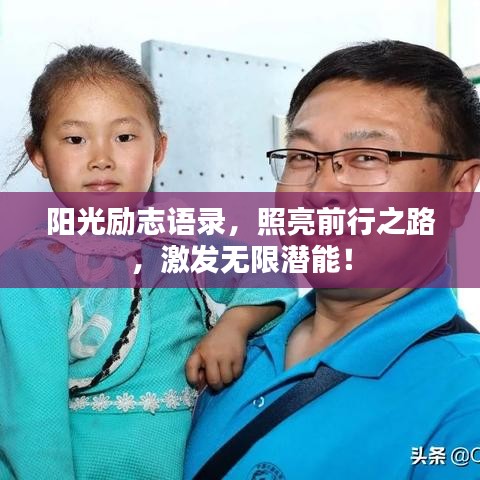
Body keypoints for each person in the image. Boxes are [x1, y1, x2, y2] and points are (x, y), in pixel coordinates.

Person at [184, 40, 480, 479]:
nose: (321, 191)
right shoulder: (224, 343)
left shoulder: (465, 398)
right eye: (302, 157)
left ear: (457, 191)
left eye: (368, 157)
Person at [0, 45, 297, 480]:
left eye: (124, 137)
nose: (101, 158)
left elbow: (270, 274)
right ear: (39, 155)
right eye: (75, 139)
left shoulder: (183, 239)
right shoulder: (30, 268)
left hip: (197, 462)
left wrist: (234, 325)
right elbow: (31, 421)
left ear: (158, 150)